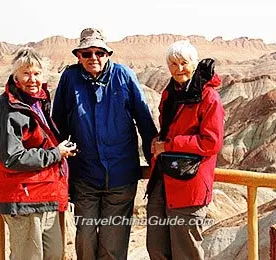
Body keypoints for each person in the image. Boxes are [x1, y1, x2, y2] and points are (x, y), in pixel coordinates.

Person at [52, 28, 157, 260]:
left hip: (120, 177)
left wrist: (155, 164)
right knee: (85, 238)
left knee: (113, 246)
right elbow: (57, 123)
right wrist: (59, 165)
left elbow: (144, 121)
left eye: (99, 52)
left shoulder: (124, 76)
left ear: (107, 54)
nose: (93, 58)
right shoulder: (70, 78)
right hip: (85, 177)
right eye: (87, 53)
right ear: (78, 56)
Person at [0, 47, 77, 260]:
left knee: (54, 254)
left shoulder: (35, 102)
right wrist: (56, 153)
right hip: (22, 198)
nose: (32, 79)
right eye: (26, 73)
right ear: (15, 75)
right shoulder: (8, 108)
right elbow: (12, 157)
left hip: (44, 195)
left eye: (36, 73)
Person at [146, 40, 225, 260]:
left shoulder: (209, 98)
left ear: (194, 64)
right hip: (162, 180)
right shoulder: (170, 93)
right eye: (173, 63)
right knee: (157, 249)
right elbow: (168, 129)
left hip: (189, 184)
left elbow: (211, 142)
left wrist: (169, 145)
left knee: (186, 252)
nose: (179, 68)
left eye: (184, 63)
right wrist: (157, 141)